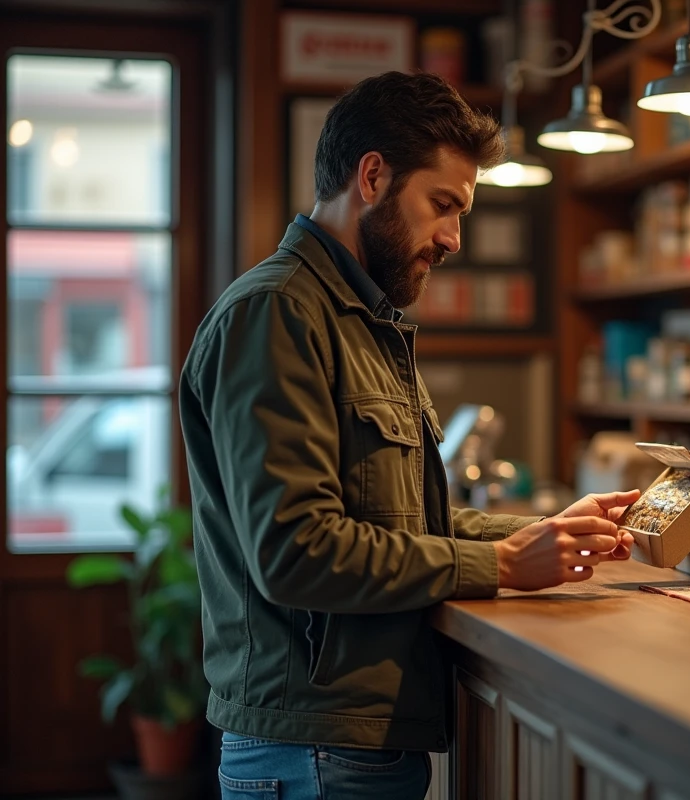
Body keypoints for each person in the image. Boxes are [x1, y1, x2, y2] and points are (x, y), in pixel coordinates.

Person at [180, 71, 639, 800]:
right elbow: (296, 551)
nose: (454, 237)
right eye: (443, 206)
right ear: (372, 177)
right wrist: (500, 566)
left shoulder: (363, 322)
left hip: (350, 743)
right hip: (315, 747)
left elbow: (400, 523)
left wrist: (541, 533)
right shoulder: (274, 315)